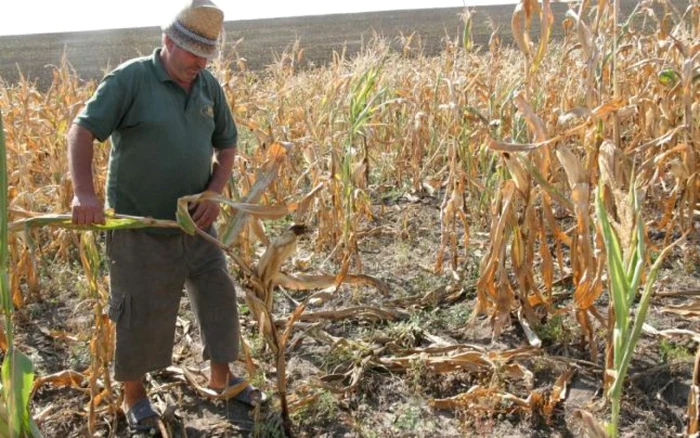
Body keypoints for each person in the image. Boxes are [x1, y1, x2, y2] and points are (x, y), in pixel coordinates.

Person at [67, 0, 262, 434]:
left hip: (196, 224)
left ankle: (221, 377)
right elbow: (82, 130)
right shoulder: (131, 80)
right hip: (141, 226)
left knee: (218, 295)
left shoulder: (209, 86)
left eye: (207, 55)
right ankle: (134, 394)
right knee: (139, 311)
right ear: (168, 41)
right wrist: (84, 194)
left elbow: (226, 145)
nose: (200, 63)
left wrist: (214, 191)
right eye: (193, 53)